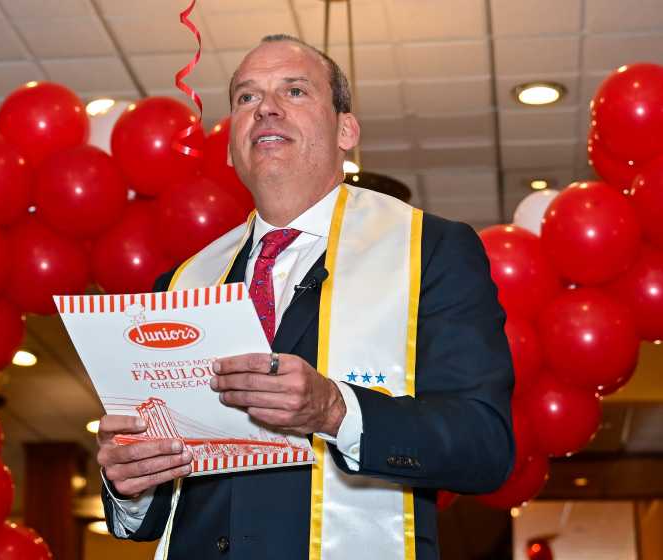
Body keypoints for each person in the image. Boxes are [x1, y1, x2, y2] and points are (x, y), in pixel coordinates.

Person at [97, 34, 514, 560]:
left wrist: (337, 411)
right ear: (229, 147)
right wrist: (129, 480)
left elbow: (484, 447)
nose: (266, 108)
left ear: (346, 130)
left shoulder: (430, 250)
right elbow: (157, 508)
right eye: (247, 97)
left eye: (294, 91)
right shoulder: (180, 285)